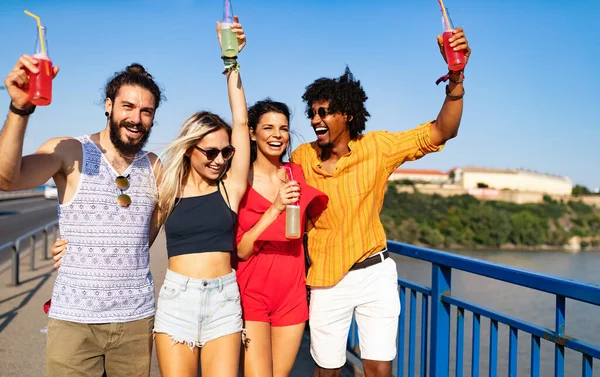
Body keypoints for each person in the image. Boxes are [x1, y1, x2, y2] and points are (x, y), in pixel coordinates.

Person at [291, 29, 472, 377]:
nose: (315, 119)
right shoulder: (301, 157)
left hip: (375, 273)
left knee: (379, 368)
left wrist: (456, 79)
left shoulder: (377, 147)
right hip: (327, 278)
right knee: (327, 369)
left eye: (324, 111)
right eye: (311, 112)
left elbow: (441, 131)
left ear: (347, 115)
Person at [0, 56, 163, 375]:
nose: (136, 118)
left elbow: (149, 230)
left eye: (146, 111)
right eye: (127, 107)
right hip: (74, 322)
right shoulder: (71, 151)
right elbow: (8, 179)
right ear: (108, 105)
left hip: (135, 320)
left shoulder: (155, 166)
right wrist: (20, 109)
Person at [150, 17, 249, 377]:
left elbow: (241, 123)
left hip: (224, 300)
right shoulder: (168, 189)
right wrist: (78, 246)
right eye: (210, 152)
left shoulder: (229, 188)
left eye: (226, 153)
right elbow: (133, 237)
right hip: (177, 300)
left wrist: (232, 63)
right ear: (190, 149)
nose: (220, 160)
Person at [233, 99, 328, 377]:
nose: (277, 135)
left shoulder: (294, 172)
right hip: (251, 291)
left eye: (284, 128)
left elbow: (303, 225)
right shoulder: (240, 179)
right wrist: (274, 207)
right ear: (252, 132)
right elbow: (240, 249)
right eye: (269, 128)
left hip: (292, 292)